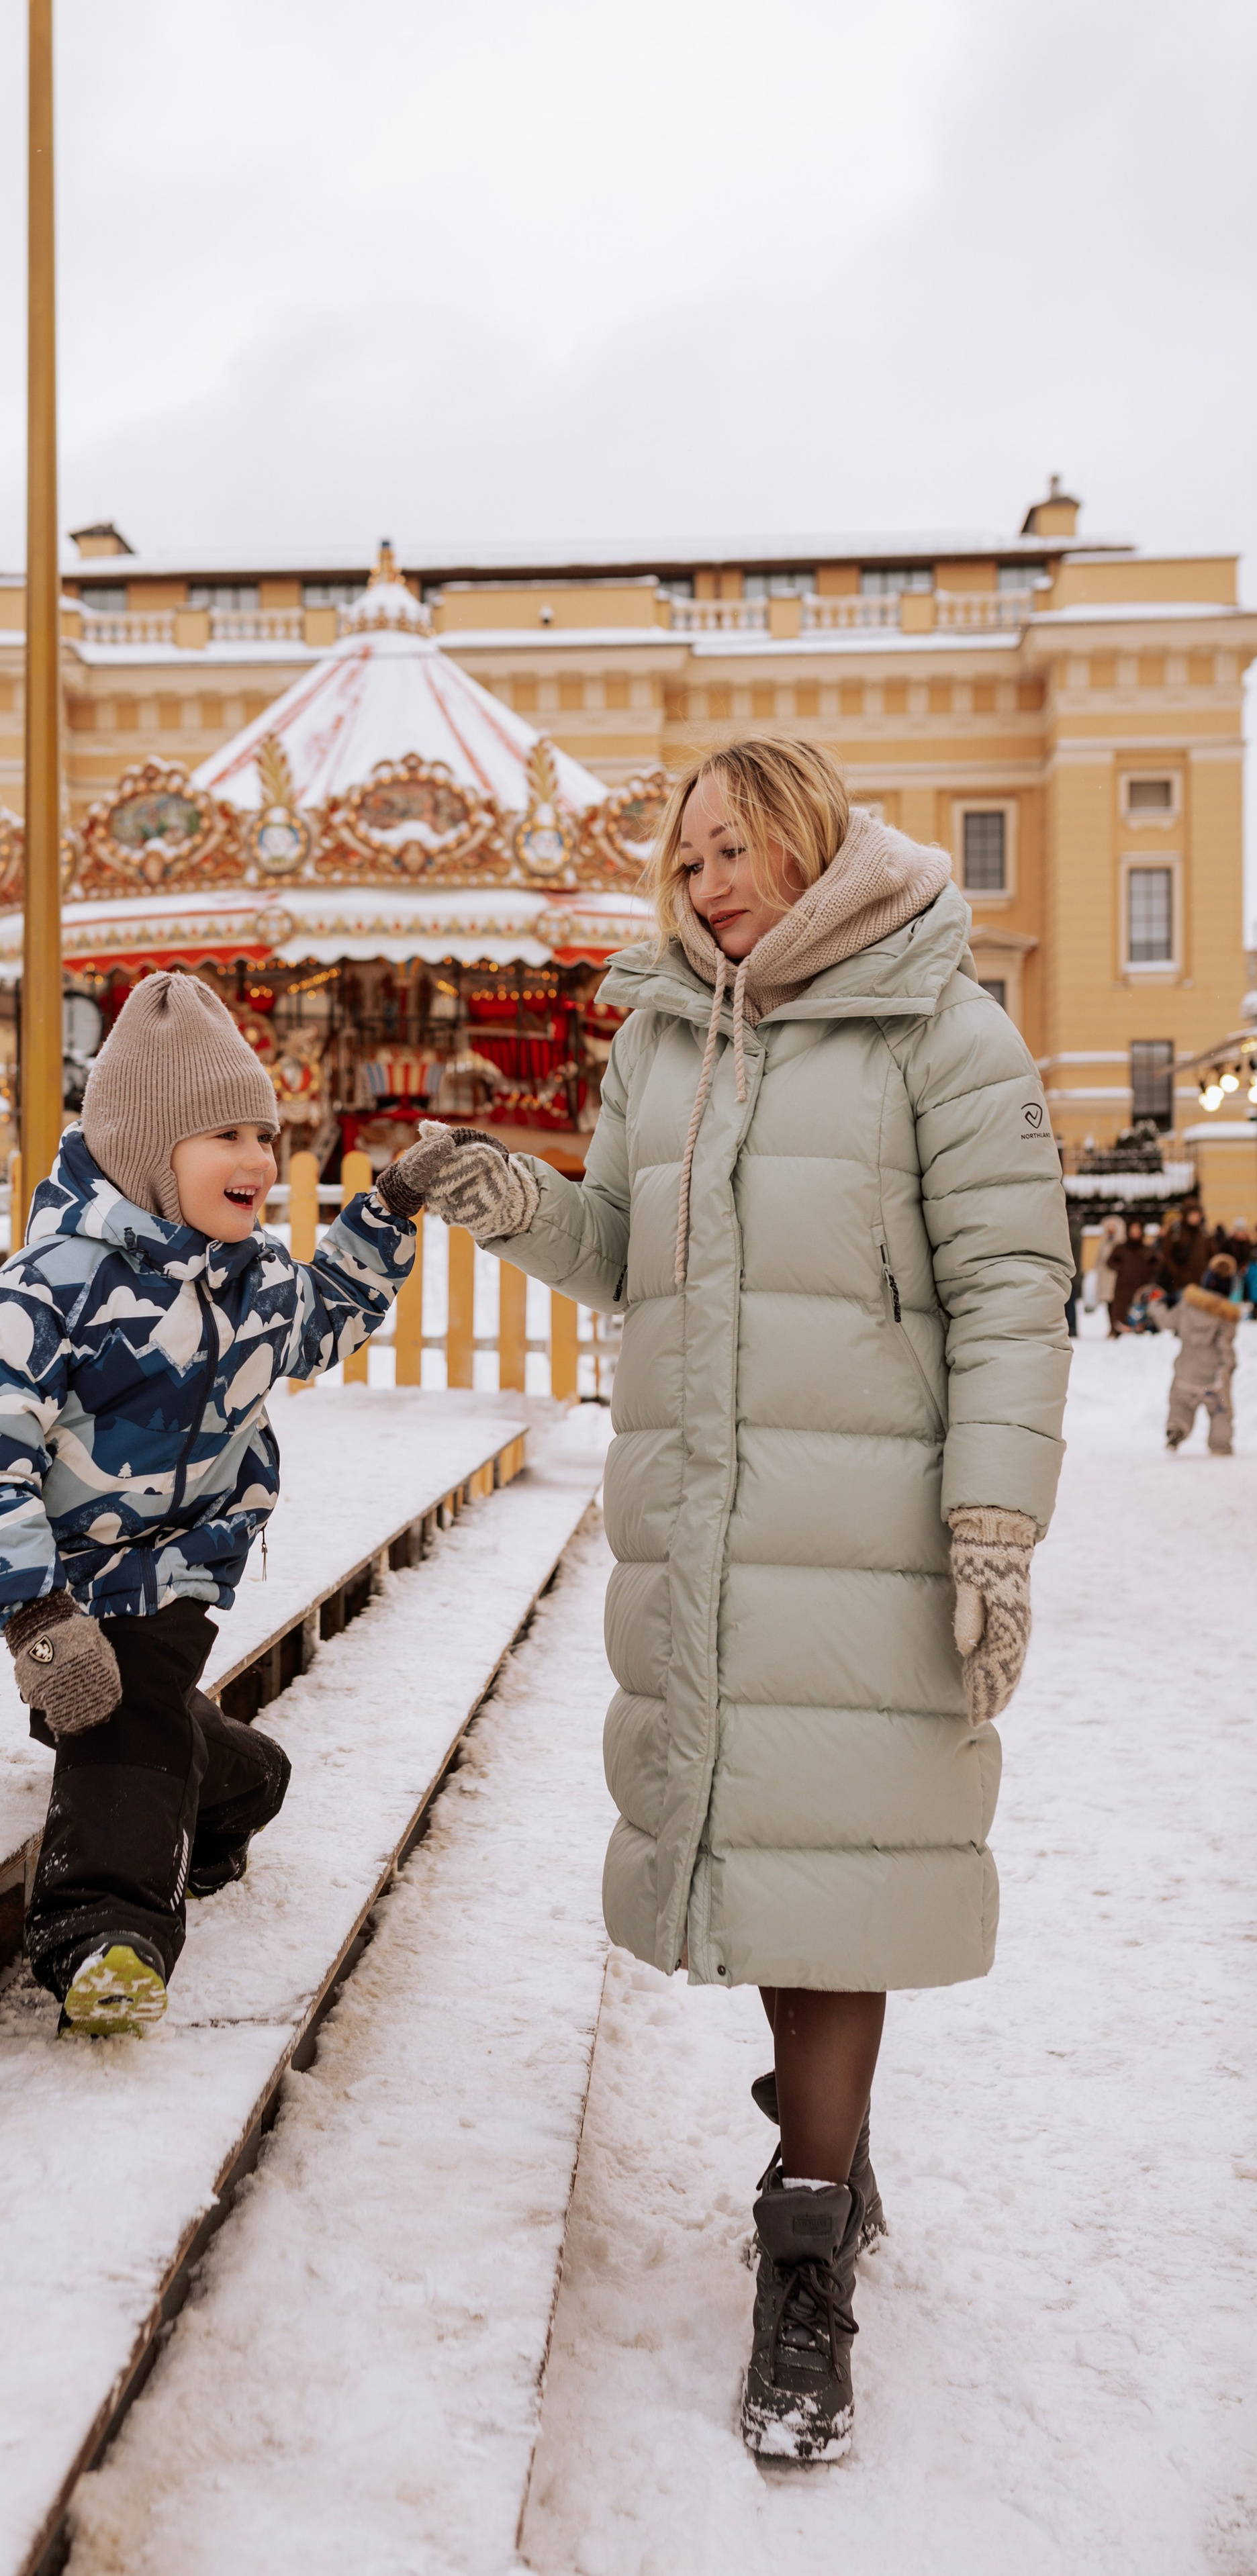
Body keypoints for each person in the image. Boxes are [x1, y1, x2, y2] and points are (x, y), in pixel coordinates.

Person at [429, 735, 1072, 2462]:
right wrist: (512, 1202)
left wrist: (993, 1518)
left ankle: (803, 2268)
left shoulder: (940, 1022)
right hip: (712, 1517)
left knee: (833, 1879)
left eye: (730, 847)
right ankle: (830, 2164)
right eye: (683, 856)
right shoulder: (661, 1032)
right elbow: (622, 1246)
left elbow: (1015, 1283)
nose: (703, 879)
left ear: (802, 839)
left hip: (866, 1524)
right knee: (778, 1869)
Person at [0, 972, 510, 2039]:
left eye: (261, 1131)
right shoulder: (54, 1289)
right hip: (68, 1583)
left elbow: (325, 1317)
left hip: (185, 1565)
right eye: (222, 1134)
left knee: (128, 1711)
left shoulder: (252, 1280)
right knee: (129, 1716)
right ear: (150, 1151)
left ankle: (111, 1924)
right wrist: (36, 1616)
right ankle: (209, 1814)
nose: (254, 1158)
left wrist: (391, 1210)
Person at [1165, 1251, 1241, 1454]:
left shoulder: (1188, 1305)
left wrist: (1157, 1306)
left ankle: (1176, 1429)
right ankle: (1220, 1445)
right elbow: (1225, 1347)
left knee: (1181, 1404)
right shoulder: (1226, 1317)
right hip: (1212, 1379)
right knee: (1221, 1412)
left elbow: (1167, 1320)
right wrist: (1228, 1367)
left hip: (1186, 1373)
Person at [1108, 1216, 1158, 1336]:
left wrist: (1150, 1268)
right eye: (1133, 1229)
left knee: (1141, 1314)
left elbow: (1158, 1263)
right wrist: (1122, 1268)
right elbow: (1110, 1262)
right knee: (1121, 1313)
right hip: (1123, 1288)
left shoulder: (1147, 1250)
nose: (1135, 1232)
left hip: (1141, 1288)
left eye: (1138, 1229)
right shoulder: (1121, 1248)